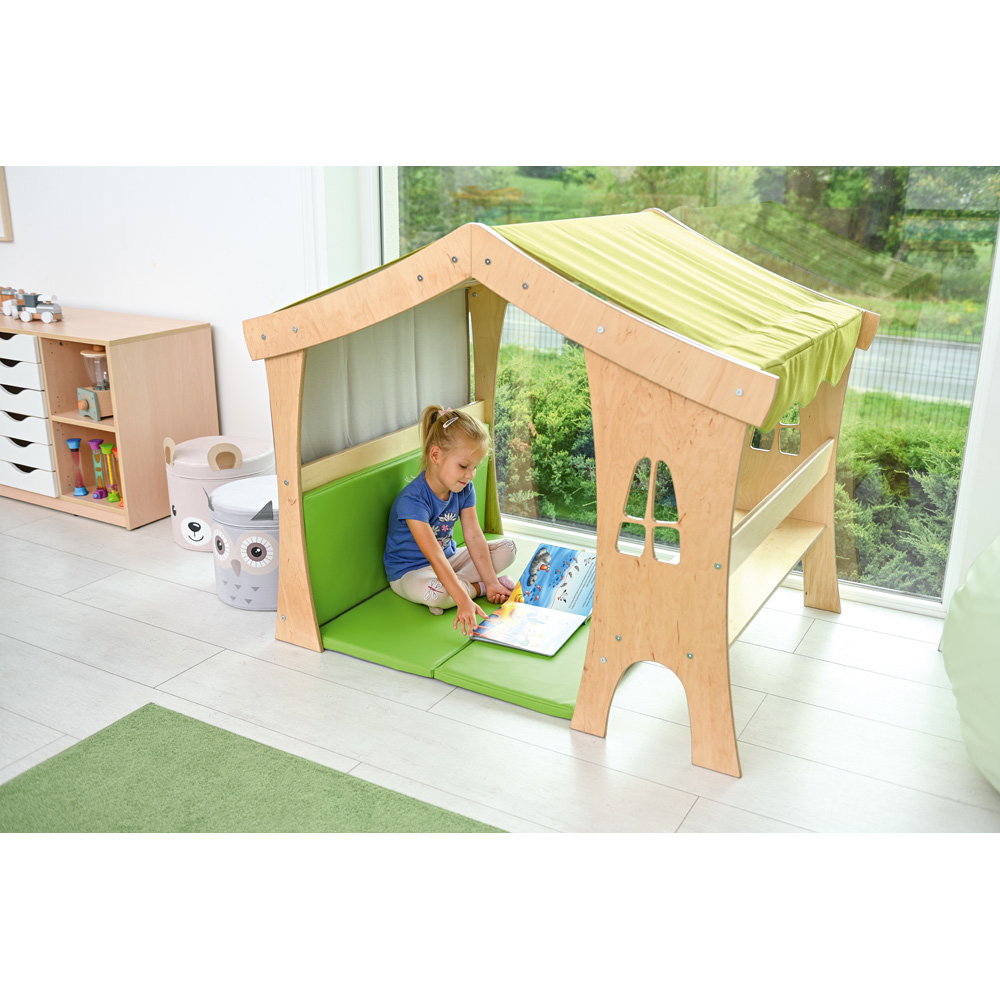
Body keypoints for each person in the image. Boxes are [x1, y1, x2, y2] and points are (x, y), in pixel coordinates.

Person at [384, 405, 517, 635]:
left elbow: (474, 536)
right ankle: (473, 590)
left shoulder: (464, 488)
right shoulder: (412, 500)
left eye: (475, 467)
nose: (470, 475)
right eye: (464, 466)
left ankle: (464, 589)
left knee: (508, 548)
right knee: (436, 593)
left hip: (450, 558)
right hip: (410, 573)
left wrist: (493, 582)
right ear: (436, 455)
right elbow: (433, 555)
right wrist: (465, 600)